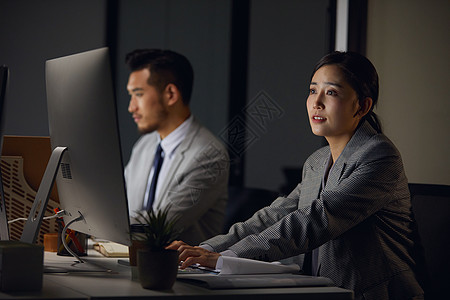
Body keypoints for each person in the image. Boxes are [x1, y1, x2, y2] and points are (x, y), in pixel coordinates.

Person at [169, 51, 424, 299]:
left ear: (362, 106)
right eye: (313, 90)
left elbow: (317, 219)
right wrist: (207, 249)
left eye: (331, 92)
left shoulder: (380, 156)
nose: (317, 102)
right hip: (321, 290)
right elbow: (275, 215)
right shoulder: (317, 161)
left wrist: (228, 258)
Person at [125, 49, 229, 245]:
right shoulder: (144, 146)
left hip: (180, 272)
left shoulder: (210, 155)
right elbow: (124, 209)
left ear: (171, 94)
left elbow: (161, 227)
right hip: (134, 260)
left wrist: (101, 223)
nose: (131, 107)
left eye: (138, 95)